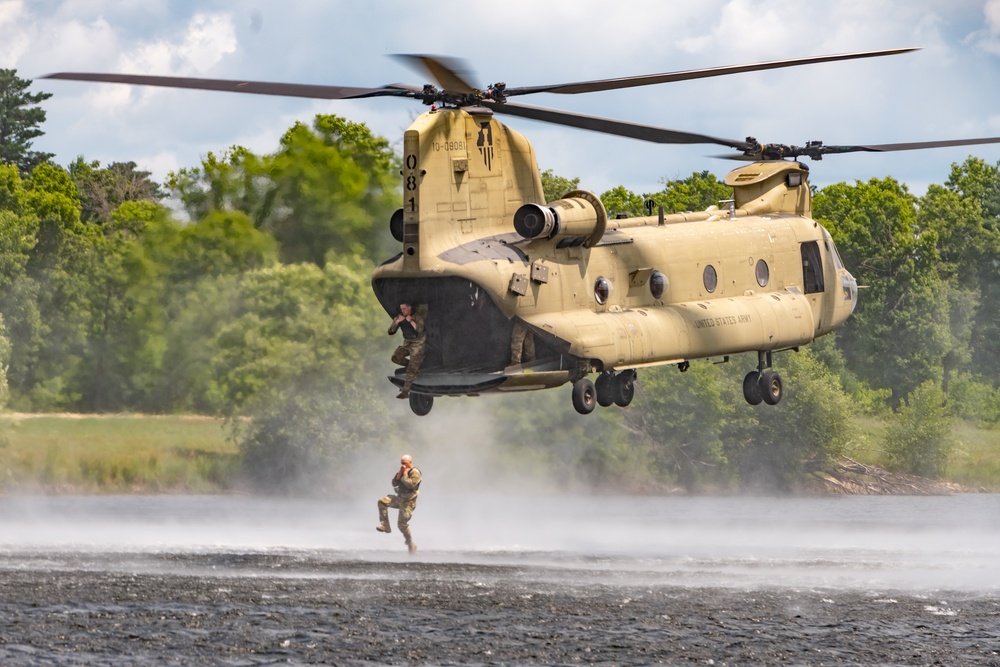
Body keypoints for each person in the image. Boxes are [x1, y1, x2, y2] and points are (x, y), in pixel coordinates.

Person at [377, 454, 422, 554]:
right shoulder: (402, 471)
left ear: (410, 462)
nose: (403, 465)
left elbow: (410, 485)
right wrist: (399, 475)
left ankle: (410, 544)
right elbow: (394, 484)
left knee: (402, 525)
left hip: (408, 502)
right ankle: (385, 526)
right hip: (400, 498)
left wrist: (405, 474)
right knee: (382, 501)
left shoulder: (415, 472)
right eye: (402, 463)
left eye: (405, 463)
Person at [388, 302, 426, 399]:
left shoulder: (417, 317)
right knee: (395, 357)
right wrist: (397, 322)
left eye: (404, 309)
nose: (402, 311)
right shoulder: (399, 317)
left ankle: (405, 392)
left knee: (411, 370)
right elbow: (391, 331)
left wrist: (411, 321)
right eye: (401, 309)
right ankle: (415, 366)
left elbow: (420, 330)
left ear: (409, 308)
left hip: (418, 344)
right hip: (407, 343)